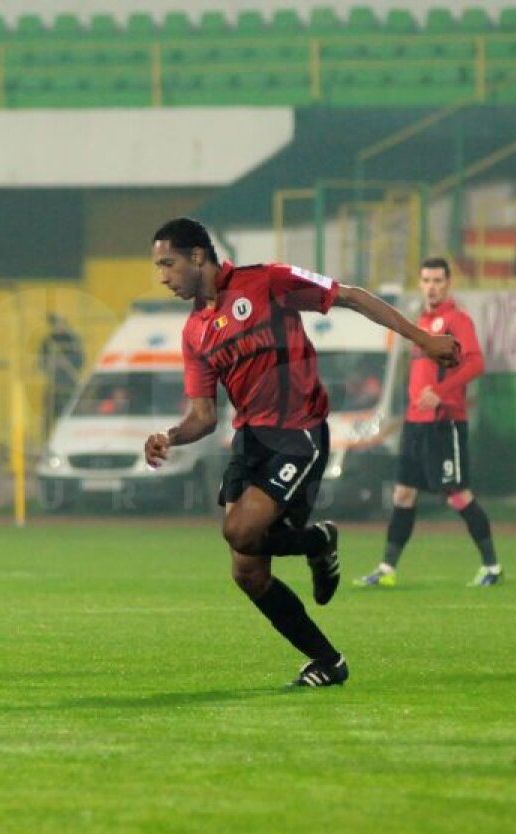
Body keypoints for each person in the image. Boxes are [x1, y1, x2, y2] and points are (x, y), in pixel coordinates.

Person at [143, 218, 459, 688]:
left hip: (299, 432)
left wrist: (425, 341)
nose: (163, 276)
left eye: (167, 263)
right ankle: (329, 661)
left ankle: (317, 542)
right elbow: (203, 416)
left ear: (196, 256)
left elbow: (350, 295)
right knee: (247, 572)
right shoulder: (195, 332)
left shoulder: (266, 280)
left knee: (239, 531)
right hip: (249, 440)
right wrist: (170, 435)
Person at [355, 257, 500, 588]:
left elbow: (475, 363)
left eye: (437, 280)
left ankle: (492, 566)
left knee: (457, 495)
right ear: (420, 284)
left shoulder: (457, 320)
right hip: (415, 423)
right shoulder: (420, 322)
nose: (431, 286)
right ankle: (387, 568)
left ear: (448, 284)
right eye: (426, 280)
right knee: (403, 495)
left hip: (444, 422)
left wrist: (441, 391)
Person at [39, 312, 83, 438]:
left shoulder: (73, 340)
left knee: (70, 416)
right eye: (54, 324)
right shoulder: (48, 341)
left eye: (59, 323)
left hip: (70, 385)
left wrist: (66, 363)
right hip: (53, 386)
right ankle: (49, 442)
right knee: (48, 419)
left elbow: (80, 362)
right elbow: (41, 363)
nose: (57, 326)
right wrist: (50, 363)